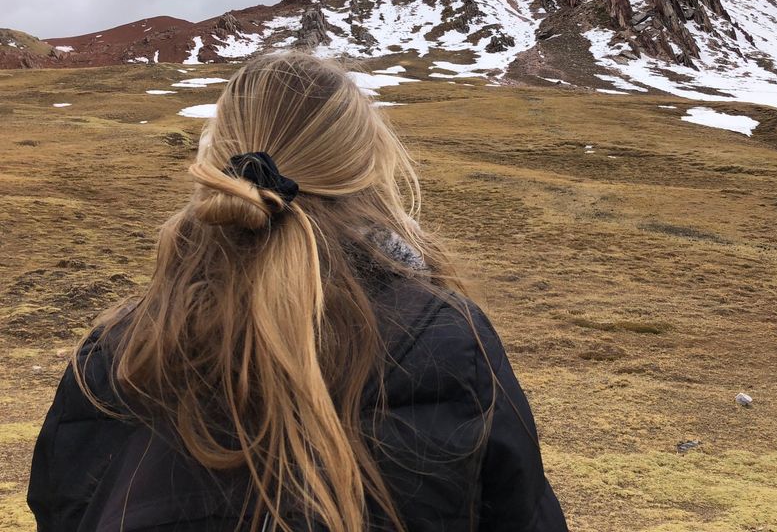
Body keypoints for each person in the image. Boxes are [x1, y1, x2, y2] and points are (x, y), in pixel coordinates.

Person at [27, 52, 568, 531]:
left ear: (217, 165)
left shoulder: (115, 353)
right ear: (366, 170)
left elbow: (62, 507)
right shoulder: (449, 340)